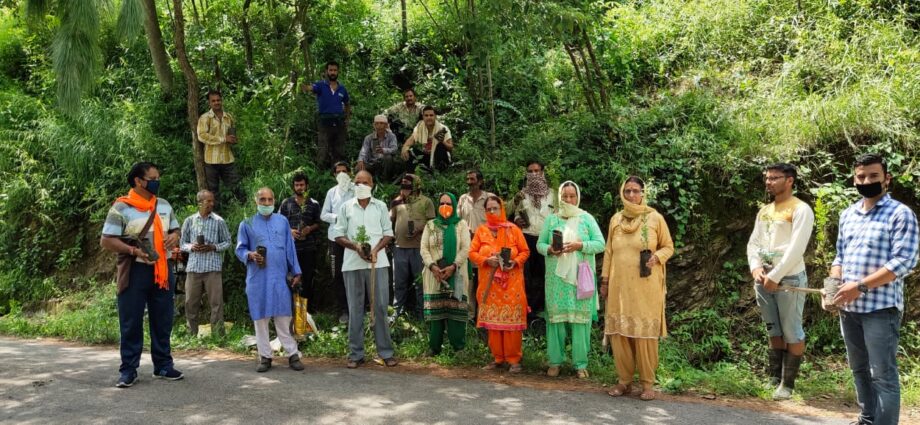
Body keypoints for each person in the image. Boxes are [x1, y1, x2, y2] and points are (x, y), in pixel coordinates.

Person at [827, 153, 918, 425]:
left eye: (873, 176)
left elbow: (905, 261)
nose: (867, 181)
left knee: (882, 374)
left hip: (880, 308)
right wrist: (832, 289)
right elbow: (839, 257)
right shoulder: (848, 215)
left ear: (886, 179)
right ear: (854, 180)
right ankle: (867, 419)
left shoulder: (900, 214)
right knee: (858, 370)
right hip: (849, 309)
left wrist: (861, 287)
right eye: (861, 177)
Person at [100, 162, 183, 387]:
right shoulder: (121, 207)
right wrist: (133, 250)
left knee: (163, 319)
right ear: (138, 181)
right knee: (131, 320)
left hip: (163, 269)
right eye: (153, 178)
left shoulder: (163, 205)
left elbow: (176, 229)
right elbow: (106, 240)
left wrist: (175, 236)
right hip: (135, 270)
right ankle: (128, 370)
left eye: (158, 178)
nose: (157, 182)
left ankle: (163, 365)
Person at [601, 176, 674, 401]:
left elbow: (669, 247)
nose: (631, 195)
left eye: (635, 191)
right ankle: (624, 382)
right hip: (619, 287)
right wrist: (604, 281)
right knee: (619, 334)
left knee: (645, 335)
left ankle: (647, 384)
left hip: (645, 287)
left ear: (643, 193)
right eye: (627, 191)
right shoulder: (615, 219)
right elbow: (608, 253)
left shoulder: (655, 218)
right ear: (622, 193)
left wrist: (657, 257)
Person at [746, 163, 814, 400]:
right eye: (767, 178)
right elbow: (754, 242)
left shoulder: (800, 209)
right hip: (763, 279)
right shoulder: (764, 211)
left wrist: (775, 276)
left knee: (791, 330)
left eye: (775, 178)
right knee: (772, 329)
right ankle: (773, 378)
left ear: (790, 180)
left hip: (789, 278)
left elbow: (796, 248)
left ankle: (788, 385)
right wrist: (755, 268)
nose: (769, 182)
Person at [536, 181, 606, 379]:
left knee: (580, 322)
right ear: (559, 197)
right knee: (556, 321)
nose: (568, 199)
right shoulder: (551, 220)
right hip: (556, 279)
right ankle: (555, 362)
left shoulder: (586, 218)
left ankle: (580, 364)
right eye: (564, 196)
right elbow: (540, 245)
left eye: (571, 196)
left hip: (580, 279)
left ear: (577, 197)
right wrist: (550, 249)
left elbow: (600, 243)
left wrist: (579, 245)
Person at [332, 171, 399, 368]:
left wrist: (376, 250)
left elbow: (388, 233)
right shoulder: (346, 207)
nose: (361, 185)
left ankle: (385, 352)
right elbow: (338, 235)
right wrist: (356, 247)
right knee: (355, 309)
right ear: (353, 184)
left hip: (377, 264)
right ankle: (355, 354)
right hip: (352, 264)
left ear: (372, 184)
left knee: (379, 307)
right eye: (358, 182)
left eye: (365, 182)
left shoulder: (380, 206)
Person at [235, 187, 305, 373]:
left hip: (279, 278)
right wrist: (250, 255)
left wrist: (296, 271)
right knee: (261, 318)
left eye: (269, 200)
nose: (266, 203)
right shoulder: (246, 223)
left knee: (284, 317)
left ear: (274, 201)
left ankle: (292, 354)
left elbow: (290, 249)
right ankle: (265, 356)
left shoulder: (282, 222)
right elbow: (239, 249)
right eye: (262, 200)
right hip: (257, 279)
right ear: (255, 201)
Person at [469, 196, 530, 373]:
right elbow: (472, 253)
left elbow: (525, 251)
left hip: (512, 285)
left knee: (511, 325)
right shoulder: (481, 231)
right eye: (489, 209)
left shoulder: (513, 229)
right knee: (493, 325)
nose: (492, 212)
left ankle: (514, 360)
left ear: (502, 209)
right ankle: (497, 358)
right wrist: (486, 260)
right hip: (490, 285)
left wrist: (515, 262)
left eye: (495, 208)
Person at [420, 193, 472, 355]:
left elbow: (466, 248)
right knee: (436, 314)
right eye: (442, 203)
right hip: (434, 274)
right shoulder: (430, 225)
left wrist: (453, 266)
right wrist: (433, 266)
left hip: (456, 273)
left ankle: (459, 348)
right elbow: (424, 248)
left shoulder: (461, 224)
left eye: (448, 203)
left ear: (454, 205)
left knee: (456, 312)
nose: (444, 206)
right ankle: (434, 347)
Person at [179, 190, 232, 338]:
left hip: (213, 267)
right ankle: (191, 335)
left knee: (216, 303)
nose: (211, 204)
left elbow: (228, 242)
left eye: (212, 201)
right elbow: (182, 243)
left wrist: (213, 247)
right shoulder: (189, 221)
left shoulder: (219, 221)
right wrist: (192, 247)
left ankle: (218, 335)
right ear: (200, 202)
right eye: (208, 201)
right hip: (194, 267)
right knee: (190, 302)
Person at [509, 160, 555, 320]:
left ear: (543, 172)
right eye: (530, 171)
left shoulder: (553, 194)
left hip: (546, 239)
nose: (534, 174)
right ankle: (528, 311)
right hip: (526, 238)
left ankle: (542, 310)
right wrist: (516, 218)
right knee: (526, 276)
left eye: (537, 171)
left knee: (545, 274)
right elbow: (513, 212)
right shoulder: (522, 194)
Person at [390, 173, 436, 320]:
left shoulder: (426, 202)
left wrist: (419, 229)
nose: (405, 187)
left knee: (420, 283)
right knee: (399, 282)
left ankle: (422, 314)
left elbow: (432, 223)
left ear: (416, 185)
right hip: (399, 247)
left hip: (420, 249)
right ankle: (398, 312)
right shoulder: (396, 202)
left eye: (408, 184)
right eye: (402, 184)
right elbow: (389, 221)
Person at [279, 172, 322, 310]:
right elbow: (279, 223)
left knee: (308, 278)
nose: (299, 187)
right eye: (297, 185)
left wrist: (310, 228)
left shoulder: (313, 203)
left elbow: (318, 223)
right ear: (293, 186)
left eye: (302, 184)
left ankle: (307, 311)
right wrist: (290, 231)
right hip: (291, 249)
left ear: (306, 185)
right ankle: (292, 310)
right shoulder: (286, 203)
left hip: (309, 248)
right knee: (292, 278)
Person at [196, 89, 244, 208]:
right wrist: (223, 139)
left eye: (218, 100)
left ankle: (239, 211)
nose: (216, 102)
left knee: (235, 187)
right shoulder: (205, 118)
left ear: (221, 101)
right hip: (211, 161)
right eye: (213, 101)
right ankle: (216, 216)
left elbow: (231, 135)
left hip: (228, 159)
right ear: (209, 103)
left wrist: (233, 140)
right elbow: (202, 136)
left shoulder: (229, 117)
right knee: (213, 191)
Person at [457, 170, 495, 316]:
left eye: (472, 179)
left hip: (486, 248)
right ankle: (471, 316)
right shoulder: (463, 199)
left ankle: (485, 316)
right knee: (469, 284)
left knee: (485, 283)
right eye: (467, 179)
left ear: (480, 181)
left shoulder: (489, 198)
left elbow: (498, 218)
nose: (469, 182)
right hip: (468, 248)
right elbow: (457, 221)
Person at [321, 161, 355, 323]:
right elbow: (323, 215)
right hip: (335, 239)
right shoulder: (331, 193)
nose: (341, 174)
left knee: (354, 273)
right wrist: (338, 218)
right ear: (334, 175)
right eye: (338, 172)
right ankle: (343, 310)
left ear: (350, 173)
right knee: (338, 276)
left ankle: (357, 309)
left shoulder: (356, 189)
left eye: (344, 171)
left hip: (353, 240)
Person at [305, 61, 351, 166]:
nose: (333, 72)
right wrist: (303, 86)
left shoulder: (342, 89)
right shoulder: (321, 85)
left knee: (339, 148)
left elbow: (347, 104)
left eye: (335, 70)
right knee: (323, 147)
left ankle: (337, 171)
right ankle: (320, 173)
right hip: (324, 121)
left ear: (338, 72)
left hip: (339, 122)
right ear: (326, 71)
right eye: (331, 70)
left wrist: (347, 119)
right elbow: (311, 88)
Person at [400, 106, 453, 172]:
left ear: (435, 116)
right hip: (426, 156)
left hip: (439, 157)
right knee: (411, 151)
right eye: (426, 115)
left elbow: (451, 147)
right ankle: (411, 175)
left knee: (440, 146)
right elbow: (410, 140)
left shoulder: (442, 128)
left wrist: (442, 142)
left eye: (431, 115)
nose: (429, 118)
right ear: (423, 117)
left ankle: (440, 172)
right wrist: (405, 148)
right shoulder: (420, 127)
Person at [356, 115, 398, 181]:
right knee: (359, 167)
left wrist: (383, 150)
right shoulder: (369, 138)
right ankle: (368, 180)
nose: (379, 126)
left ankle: (385, 181)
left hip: (385, 163)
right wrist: (361, 160)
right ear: (374, 125)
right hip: (373, 162)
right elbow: (364, 150)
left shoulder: (391, 136)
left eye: (381, 123)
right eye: (377, 124)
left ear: (386, 125)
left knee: (388, 158)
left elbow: (394, 149)